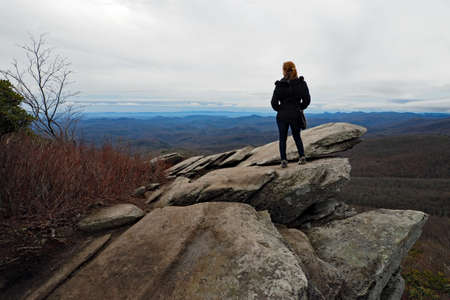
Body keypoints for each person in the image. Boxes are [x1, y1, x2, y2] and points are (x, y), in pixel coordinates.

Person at [271, 61, 311, 168]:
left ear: (284, 70)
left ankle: (284, 160)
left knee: (282, 138)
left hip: (282, 115)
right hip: (295, 114)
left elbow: (273, 103)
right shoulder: (301, 83)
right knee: (297, 136)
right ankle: (302, 157)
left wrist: (281, 109)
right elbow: (307, 100)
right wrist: (299, 107)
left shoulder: (280, 85)